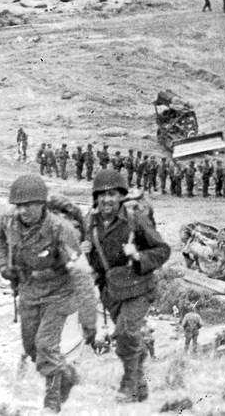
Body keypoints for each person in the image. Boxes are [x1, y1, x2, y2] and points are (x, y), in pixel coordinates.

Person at [0, 174, 83, 412]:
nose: (23, 211)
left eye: (28, 206)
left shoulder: (60, 228)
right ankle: (66, 373)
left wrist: (53, 271)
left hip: (59, 294)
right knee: (33, 349)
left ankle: (52, 403)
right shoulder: (8, 221)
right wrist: (3, 265)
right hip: (29, 293)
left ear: (42, 204)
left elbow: (78, 266)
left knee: (45, 346)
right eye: (19, 206)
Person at [84, 170, 170, 403]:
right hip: (111, 291)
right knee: (128, 338)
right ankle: (140, 386)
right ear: (95, 198)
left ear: (121, 197)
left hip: (139, 287)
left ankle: (129, 386)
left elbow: (163, 250)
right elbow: (96, 259)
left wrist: (139, 255)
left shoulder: (134, 219)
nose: (106, 200)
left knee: (125, 334)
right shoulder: (91, 222)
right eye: (101, 195)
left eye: (112, 194)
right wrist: (89, 263)